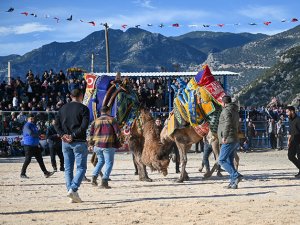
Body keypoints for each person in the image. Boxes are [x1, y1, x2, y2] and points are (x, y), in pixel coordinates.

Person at [55, 88, 90, 203]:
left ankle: (72, 192)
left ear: (70, 96)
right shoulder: (84, 108)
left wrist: (63, 135)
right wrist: (73, 135)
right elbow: (84, 126)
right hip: (78, 141)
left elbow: (56, 125)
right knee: (81, 168)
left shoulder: (62, 108)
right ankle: (73, 189)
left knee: (68, 169)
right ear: (81, 96)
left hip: (65, 142)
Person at [88, 106, 121, 189]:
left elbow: (91, 134)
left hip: (97, 145)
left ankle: (94, 177)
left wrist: (91, 144)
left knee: (101, 161)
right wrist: (119, 141)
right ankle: (104, 181)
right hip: (108, 144)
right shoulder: (112, 119)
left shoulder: (95, 121)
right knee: (109, 162)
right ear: (108, 111)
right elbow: (118, 132)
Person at [218, 96, 243, 189]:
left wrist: (224, 136)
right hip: (234, 138)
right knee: (229, 161)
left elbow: (227, 124)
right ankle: (233, 183)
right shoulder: (235, 110)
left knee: (221, 160)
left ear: (223, 103)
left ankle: (236, 175)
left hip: (228, 138)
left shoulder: (226, 111)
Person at [20, 114, 54, 179]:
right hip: (28, 145)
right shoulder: (27, 125)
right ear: (28, 119)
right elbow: (31, 134)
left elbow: (36, 133)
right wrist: (39, 135)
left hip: (35, 145)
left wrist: (40, 135)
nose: (33, 119)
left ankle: (46, 173)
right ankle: (22, 173)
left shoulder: (33, 125)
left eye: (33, 118)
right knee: (28, 160)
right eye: (31, 118)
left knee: (40, 159)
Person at [285, 106, 300, 178]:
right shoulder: (290, 120)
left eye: (287, 112)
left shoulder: (298, 120)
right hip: (293, 141)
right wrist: (289, 141)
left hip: (299, 141)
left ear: (292, 111)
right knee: (290, 156)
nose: (286, 113)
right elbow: (290, 132)